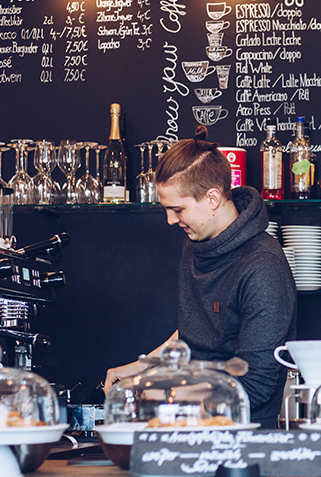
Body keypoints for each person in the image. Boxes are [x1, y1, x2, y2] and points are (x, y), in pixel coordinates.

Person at [103, 126, 297, 428]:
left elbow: (255, 384)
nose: (170, 220)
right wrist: (142, 368)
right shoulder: (198, 243)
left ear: (212, 198)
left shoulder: (262, 266)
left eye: (177, 209)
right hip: (191, 426)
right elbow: (197, 332)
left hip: (243, 438)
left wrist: (166, 396)